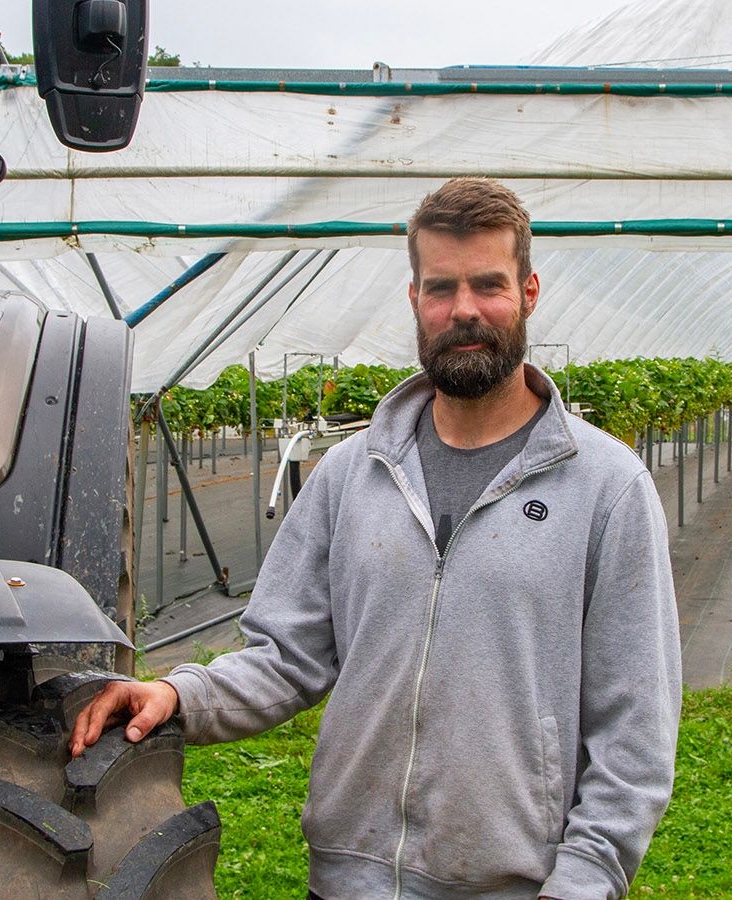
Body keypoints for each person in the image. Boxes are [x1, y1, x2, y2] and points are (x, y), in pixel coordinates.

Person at [71, 177, 681, 900]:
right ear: (415, 297)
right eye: (440, 287)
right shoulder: (351, 473)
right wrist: (177, 694)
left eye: (489, 285)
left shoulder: (606, 486)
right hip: (345, 880)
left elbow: (634, 726)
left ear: (529, 291)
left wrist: (584, 880)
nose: (464, 310)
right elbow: (287, 656)